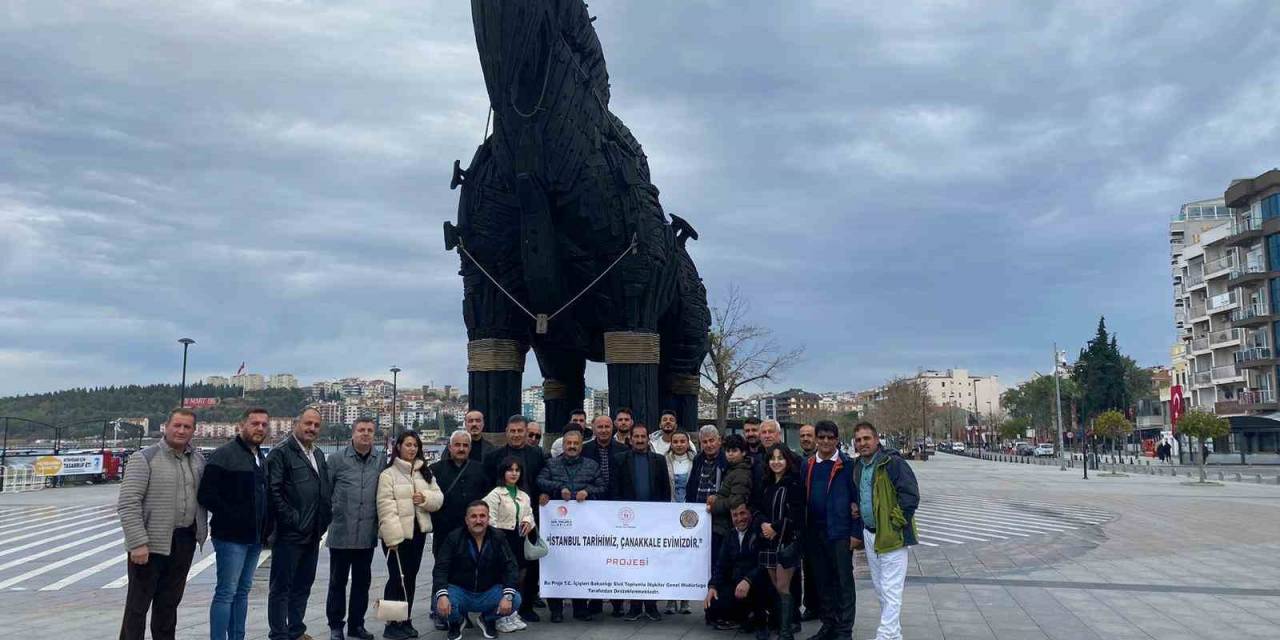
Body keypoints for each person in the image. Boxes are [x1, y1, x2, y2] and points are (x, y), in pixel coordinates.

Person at [118, 407, 207, 640]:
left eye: (187, 427)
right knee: (137, 607)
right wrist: (138, 543)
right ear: (166, 427)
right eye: (177, 425)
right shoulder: (144, 458)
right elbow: (128, 503)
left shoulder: (198, 460)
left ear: (194, 431)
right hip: (150, 544)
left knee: (168, 605)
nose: (181, 430)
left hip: (184, 540)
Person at [200, 408, 273, 640]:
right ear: (241, 425)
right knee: (226, 592)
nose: (259, 428)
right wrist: (233, 515)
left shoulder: (260, 457)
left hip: (255, 538)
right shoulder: (224, 454)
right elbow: (206, 494)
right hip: (231, 538)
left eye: (264, 424)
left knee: (242, 592)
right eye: (254, 423)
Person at [267, 408, 333, 640]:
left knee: (303, 584)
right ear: (296, 423)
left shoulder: (318, 454)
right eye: (308, 423)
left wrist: (325, 519)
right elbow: (273, 492)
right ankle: (279, 633)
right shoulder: (281, 453)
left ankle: (296, 630)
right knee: (281, 587)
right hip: (290, 533)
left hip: (314, 532)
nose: (312, 429)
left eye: (316, 425)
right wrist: (292, 520)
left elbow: (324, 488)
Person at [850, 422, 919, 640]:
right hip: (869, 534)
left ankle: (885, 635)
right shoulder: (858, 466)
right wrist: (857, 508)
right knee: (881, 589)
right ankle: (894, 635)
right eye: (858, 440)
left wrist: (895, 523)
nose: (863, 443)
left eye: (866, 438)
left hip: (891, 536)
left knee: (891, 589)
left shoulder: (893, 463)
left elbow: (910, 496)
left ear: (877, 439)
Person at [376, 430, 444, 639]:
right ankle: (391, 623)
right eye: (408, 445)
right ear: (399, 447)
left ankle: (405, 619)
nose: (412, 449)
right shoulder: (388, 475)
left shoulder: (425, 472)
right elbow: (385, 507)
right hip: (397, 536)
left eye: (415, 445)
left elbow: (438, 497)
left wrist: (424, 498)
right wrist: (393, 538)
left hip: (417, 533)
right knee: (396, 578)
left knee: (411, 578)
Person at [536, 426, 605, 622]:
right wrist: (559, 488)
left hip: (583, 527)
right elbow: (540, 480)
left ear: (581, 446)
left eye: (576, 444)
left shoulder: (592, 465)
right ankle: (556, 610)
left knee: (580, 567)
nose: (572, 447)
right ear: (563, 445)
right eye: (569, 444)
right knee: (555, 566)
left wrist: (588, 491)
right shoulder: (552, 464)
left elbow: (603, 486)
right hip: (557, 527)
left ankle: (580, 609)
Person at [483, 415, 547, 623]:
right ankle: (500, 607)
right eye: (513, 431)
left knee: (529, 564)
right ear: (506, 432)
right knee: (503, 566)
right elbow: (487, 485)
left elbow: (542, 480)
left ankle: (526, 605)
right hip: (503, 518)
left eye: (521, 431)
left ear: (527, 432)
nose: (517, 435)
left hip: (529, 514)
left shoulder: (537, 453)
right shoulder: (494, 456)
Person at [428, 430, 492, 630]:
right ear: (450, 447)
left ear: (470, 449)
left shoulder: (480, 470)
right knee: (442, 569)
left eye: (465, 445)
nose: (461, 449)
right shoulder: (435, 470)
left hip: (472, 532)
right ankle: (439, 611)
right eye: (457, 445)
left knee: (466, 570)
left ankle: (460, 611)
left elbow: (487, 498)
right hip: (444, 530)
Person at [325, 418, 383, 640]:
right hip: (341, 530)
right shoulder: (337, 459)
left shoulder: (380, 460)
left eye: (369, 430)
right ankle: (335, 626)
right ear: (353, 433)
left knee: (362, 582)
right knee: (337, 581)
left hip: (367, 532)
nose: (365, 434)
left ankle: (357, 624)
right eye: (361, 430)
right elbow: (326, 492)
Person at [432, 501, 522, 640]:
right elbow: (440, 568)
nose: (478, 520)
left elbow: (511, 567)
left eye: (482, 516)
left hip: (489, 591)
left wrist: (508, 595)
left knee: (515, 599)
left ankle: (487, 619)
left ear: (488, 518)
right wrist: (442, 595)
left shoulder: (498, 537)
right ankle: (456, 622)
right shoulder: (454, 538)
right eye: (473, 516)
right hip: (460, 591)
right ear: (466, 520)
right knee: (438, 603)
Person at [802, 420, 857, 640]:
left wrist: (855, 532)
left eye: (830, 437)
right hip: (815, 534)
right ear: (816, 438)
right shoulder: (808, 465)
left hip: (840, 533)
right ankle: (828, 626)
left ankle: (844, 631)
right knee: (822, 582)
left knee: (843, 583)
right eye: (821, 437)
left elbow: (856, 501)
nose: (825, 441)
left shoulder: (847, 465)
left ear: (836, 440)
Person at [612, 424, 671, 621]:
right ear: (630, 438)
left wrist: (662, 517)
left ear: (648, 439)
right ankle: (635, 607)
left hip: (653, 523)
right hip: (629, 523)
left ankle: (652, 606)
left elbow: (665, 492)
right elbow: (616, 491)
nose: (639, 440)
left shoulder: (659, 460)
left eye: (642, 436)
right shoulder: (620, 460)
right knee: (632, 566)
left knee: (652, 564)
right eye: (635, 436)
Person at [754, 444, 806, 640]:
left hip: (786, 541)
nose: (776, 462)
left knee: (784, 586)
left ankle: (786, 632)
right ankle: (781, 624)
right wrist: (763, 525)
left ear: (787, 461)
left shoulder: (793, 483)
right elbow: (757, 509)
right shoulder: (765, 483)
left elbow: (797, 514)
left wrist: (775, 527)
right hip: (767, 542)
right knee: (776, 585)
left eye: (780, 458)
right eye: (772, 458)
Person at [482, 457, 536, 632]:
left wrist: (528, 522)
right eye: (510, 470)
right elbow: (490, 519)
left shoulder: (523, 495)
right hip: (500, 539)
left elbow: (529, 513)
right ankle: (499, 615)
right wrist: (498, 538)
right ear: (503, 472)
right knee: (501, 578)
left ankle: (512, 612)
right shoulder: (496, 494)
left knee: (519, 576)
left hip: (518, 538)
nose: (514, 473)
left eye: (517, 470)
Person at [579, 415, 622, 618]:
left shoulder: (623, 450)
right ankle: (594, 601)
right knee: (595, 557)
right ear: (593, 428)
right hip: (590, 507)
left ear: (612, 428)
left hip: (615, 508)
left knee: (616, 556)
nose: (604, 430)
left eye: (607, 426)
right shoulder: (584, 450)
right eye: (600, 427)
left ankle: (617, 602)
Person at [704, 503, 767, 637]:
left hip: (756, 584)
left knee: (761, 587)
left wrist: (748, 580)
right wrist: (713, 586)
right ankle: (744, 617)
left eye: (742, 513)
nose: (739, 518)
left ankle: (761, 621)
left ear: (749, 513)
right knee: (710, 607)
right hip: (736, 585)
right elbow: (720, 564)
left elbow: (763, 565)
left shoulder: (758, 533)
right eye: (735, 515)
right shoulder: (730, 535)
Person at [662, 430, 698, 616]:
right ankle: (670, 598)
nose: (678, 444)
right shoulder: (663, 461)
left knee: (686, 558)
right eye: (675, 441)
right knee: (670, 557)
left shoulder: (696, 461)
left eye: (682, 441)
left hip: (690, 516)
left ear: (687, 442)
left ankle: (685, 598)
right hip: (669, 514)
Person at [793, 423, 820, 622]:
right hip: (804, 521)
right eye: (802, 435)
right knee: (808, 567)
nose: (805, 438)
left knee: (822, 568)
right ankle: (810, 606)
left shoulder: (821, 459)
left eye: (809, 435)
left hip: (820, 522)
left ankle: (823, 606)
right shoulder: (798, 460)